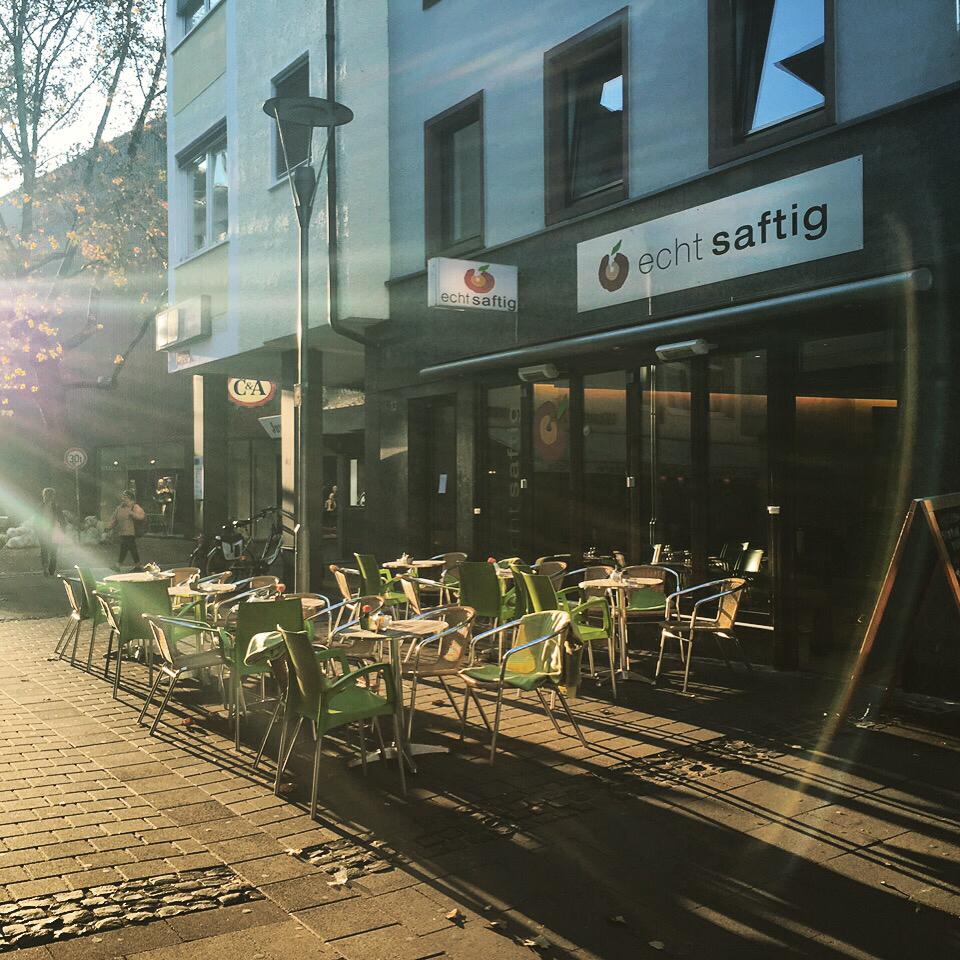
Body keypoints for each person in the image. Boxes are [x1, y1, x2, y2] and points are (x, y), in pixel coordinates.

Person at [106, 491, 146, 569]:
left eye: (125, 497)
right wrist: (108, 527)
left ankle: (119, 564)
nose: (123, 499)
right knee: (128, 548)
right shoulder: (119, 508)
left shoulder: (135, 507)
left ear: (130, 498)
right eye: (123, 497)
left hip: (131, 532)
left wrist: (133, 514)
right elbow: (114, 519)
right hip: (123, 532)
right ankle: (138, 565)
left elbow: (142, 517)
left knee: (126, 547)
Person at [37, 487, 65, 576]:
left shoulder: (56, 507)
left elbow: (62, 519)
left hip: (54, 531)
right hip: (43, 531)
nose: (47, 497)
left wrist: (63, 530)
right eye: (45, 495)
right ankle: (45, 569)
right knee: (44, 550)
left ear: (52, 496)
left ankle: (51, 569)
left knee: (53, 551)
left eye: (49, 495)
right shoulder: (40, 506)